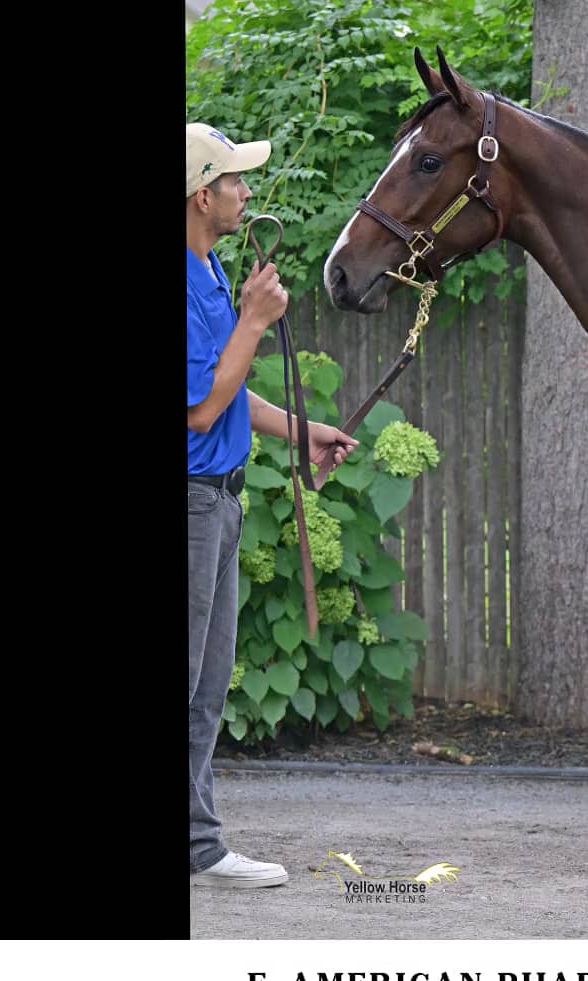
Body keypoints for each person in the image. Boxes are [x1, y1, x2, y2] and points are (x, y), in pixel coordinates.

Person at [187, 122, 357, 888]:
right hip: (191, 503)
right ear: (201, 193)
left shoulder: (211, 269)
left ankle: (197, 844)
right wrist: (256, 322)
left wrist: (302, 429)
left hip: (218, 502)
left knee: (206, 685)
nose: (247, 193)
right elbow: (196, 410)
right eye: (235, 182)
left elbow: (228, 390)